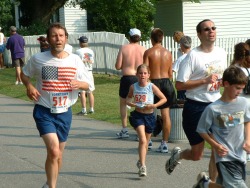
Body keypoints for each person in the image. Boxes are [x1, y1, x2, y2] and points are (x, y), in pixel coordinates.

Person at [20, 23, 93, 188]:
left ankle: (49, 183)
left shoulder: (75, 60)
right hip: (44, 110)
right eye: (54, 35)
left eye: (61, 35)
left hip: (64, 113)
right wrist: (29, 86)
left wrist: (79, 84)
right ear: (48, 39)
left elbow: (89, 85)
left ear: (66, 38)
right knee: (53, 151)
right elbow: (25, 75)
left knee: (58, 155)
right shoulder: (39, 59)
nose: (58, 39)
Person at [165, 19, 227, 182]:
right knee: (196, 154)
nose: (211, 31)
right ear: (199, 34)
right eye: (206, 29)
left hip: (216, 105)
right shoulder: (192, 56)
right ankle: (178, 155)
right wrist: (204, 81)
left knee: (217, 149)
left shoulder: (221, 53)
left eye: (213, 28)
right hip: (196, 107)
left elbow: (221, 78)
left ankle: (211, 184)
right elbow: (179, 85)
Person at [193, 66, 250, 188]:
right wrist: (215, 145)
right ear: (226, 84)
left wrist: (247, 140)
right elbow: (201, 130)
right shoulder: (213, 108)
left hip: (240, 155)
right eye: (237, 88)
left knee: (227, 186)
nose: (240, 91)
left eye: (242, 88)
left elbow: (247, 121)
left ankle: (205, 184)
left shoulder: (244, 103)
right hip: (225, 157)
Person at [127, 64, 167, 177]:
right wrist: (131, 103)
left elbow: (164, 99)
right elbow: (128, 98)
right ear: (136, 74)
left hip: (150, 117)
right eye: (140, 73)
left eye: (145, 73)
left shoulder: (151, 86)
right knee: (143, 140)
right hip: (138, 116)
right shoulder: (133, 87)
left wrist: (154, 105)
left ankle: (140, 161)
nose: (142, 75)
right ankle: (143, 166)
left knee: (146, 143)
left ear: (149, 75)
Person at [143, 28, 176, 153]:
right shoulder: (168, 53)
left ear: (151, 39)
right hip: (166, 82)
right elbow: (170, 73)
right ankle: (164, 143)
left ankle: (149, 140)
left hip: (153, 82)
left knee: (149, 112)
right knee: (166, 115)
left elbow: (145, 71)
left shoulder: (149, 52)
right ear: (161, 39)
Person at [115, 28, 146, 138]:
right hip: (139, 78)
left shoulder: (124, 48)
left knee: (123, 104)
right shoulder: (143, 49)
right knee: (140, 104)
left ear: (129, 37)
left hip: (127, 77)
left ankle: (124, 129)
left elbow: (118, 66)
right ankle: (140, 131)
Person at [231, 42, 250, 162]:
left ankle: (237, 150)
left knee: (235, 127)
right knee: (247, 127)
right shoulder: (247, 69)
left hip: (237, 101)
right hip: (248, 100)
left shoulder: (234, 69)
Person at [75, 36, 95, 115]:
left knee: (82, 91)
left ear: (80, 43)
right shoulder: (91, 51)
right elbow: (91, 61)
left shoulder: (78, 51)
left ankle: (84, 110)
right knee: (90, 91)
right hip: (89, 71)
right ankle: (92, 109)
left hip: (82, 72)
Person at [172, 35, 192, 101]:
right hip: (193, 86)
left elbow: (172, 70)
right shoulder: (196, 56)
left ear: (181, 45)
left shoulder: (181, 59)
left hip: (182, 85)